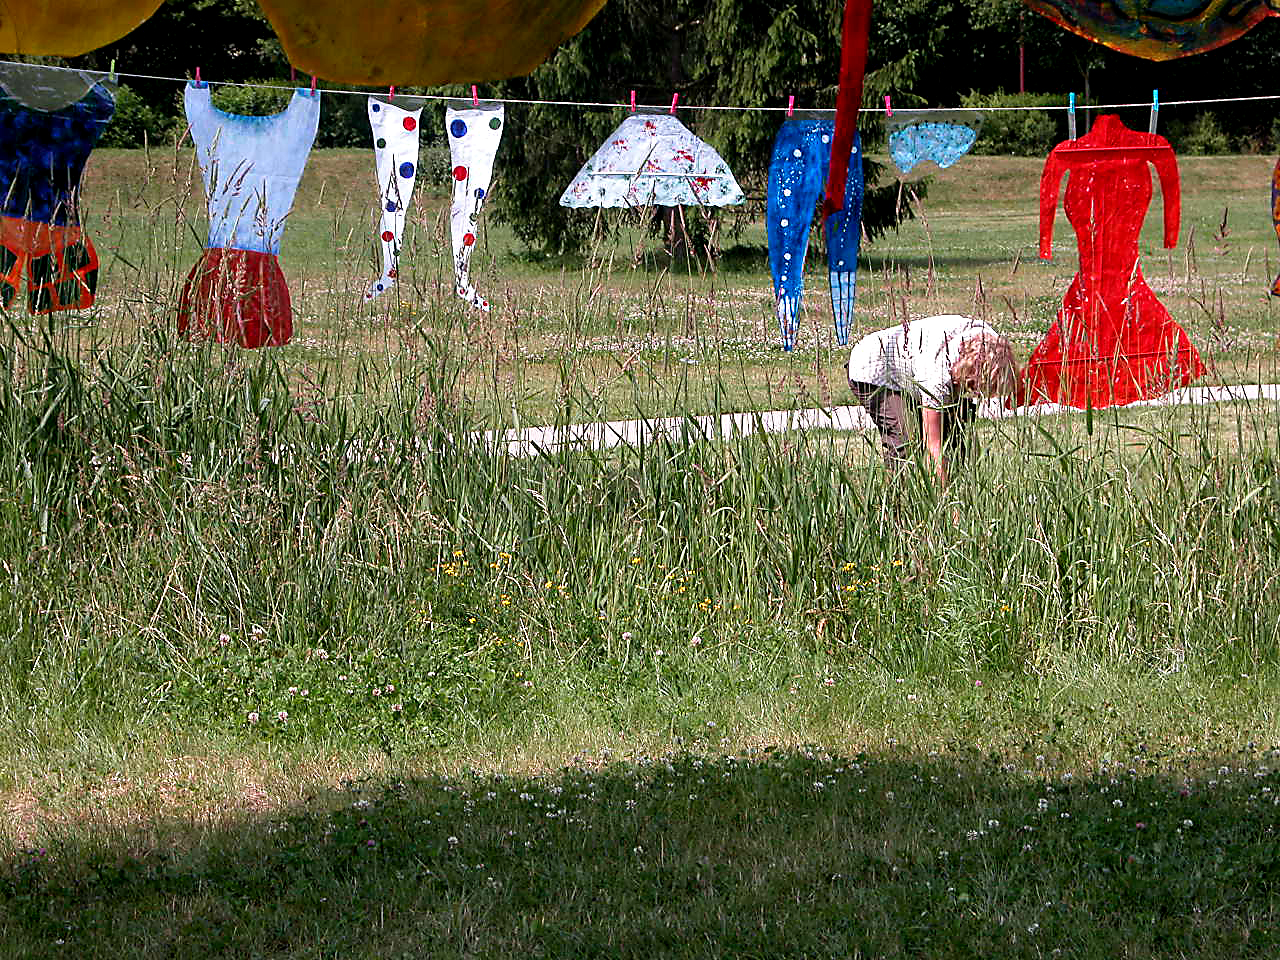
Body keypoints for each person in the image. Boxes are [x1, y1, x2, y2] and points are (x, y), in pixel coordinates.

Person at [846, 314, 1017, 485]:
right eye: (977, 388)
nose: (978, 395)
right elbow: (933, 446)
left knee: (957, 435)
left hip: (916, 363)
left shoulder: (993, 342)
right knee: (905, 441)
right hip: (872, 368)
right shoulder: (937, 374)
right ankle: (895, 507)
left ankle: (960, 491)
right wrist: (945, 501)